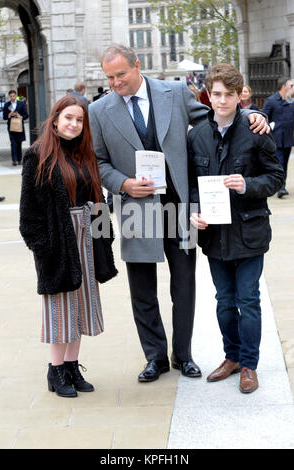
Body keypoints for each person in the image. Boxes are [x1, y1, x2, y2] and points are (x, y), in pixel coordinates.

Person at [89, 44, 269, 384]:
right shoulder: (99, 111)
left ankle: (182, 355)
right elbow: (97, 162)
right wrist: (123, 183)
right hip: (135, 209)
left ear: (137, 66)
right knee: (142, 289)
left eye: (121, 75)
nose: (115, 82)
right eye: (109, 77)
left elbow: (215, 119)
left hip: (180, 207)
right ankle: (154, 357)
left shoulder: (173, 92)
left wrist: (250, 115)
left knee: (183, 285)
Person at [188, 63, 284, 394]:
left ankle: (249, 365)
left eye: (229, 94)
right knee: (225, 300)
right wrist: (193, 211)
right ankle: (230, 357)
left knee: (249, 299)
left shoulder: (257, 130)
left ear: (240, 96)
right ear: (208, 95)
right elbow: (189, 185)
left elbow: (276, 177)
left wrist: (247, 184)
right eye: (216, 94)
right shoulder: (197, 135)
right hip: (214, 234)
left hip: (250, 230)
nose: (222, 101)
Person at [19, 95, 117, 398]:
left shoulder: (84, 154)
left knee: (81, 307)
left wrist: (104, 237)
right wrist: (44, 249)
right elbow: (29, 214)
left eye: (79, 120)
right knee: (60, 309)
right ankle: (56, 369)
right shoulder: (37, 156)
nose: (74, 124)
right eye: (69, 118)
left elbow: (97, 199)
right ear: (56, 118)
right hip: (58, 243)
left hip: (87, 239)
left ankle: (73, 366)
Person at [263, 76, 294, 198]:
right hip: (275, 139)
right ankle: (280, 187)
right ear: (284, 87)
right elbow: (264, 118)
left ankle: (282, 185)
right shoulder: (271, 101)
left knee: (285, 164)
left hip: (287, 139)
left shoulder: (291, 101)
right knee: (279, 164)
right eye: (291, 85)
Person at [3, 90, 28, 166]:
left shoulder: (21, 104)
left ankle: (19, 159)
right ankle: (14, 160)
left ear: (16, 95)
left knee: (19, 143)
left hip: (19, 126)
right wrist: (9, 115)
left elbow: (26, 115)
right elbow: (4, 117)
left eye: (13, 96)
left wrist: (21, 117)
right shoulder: (7, 105)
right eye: (11, 96)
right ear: (9, 96)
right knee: (13, 143)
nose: (12, 97)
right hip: (11, 126)